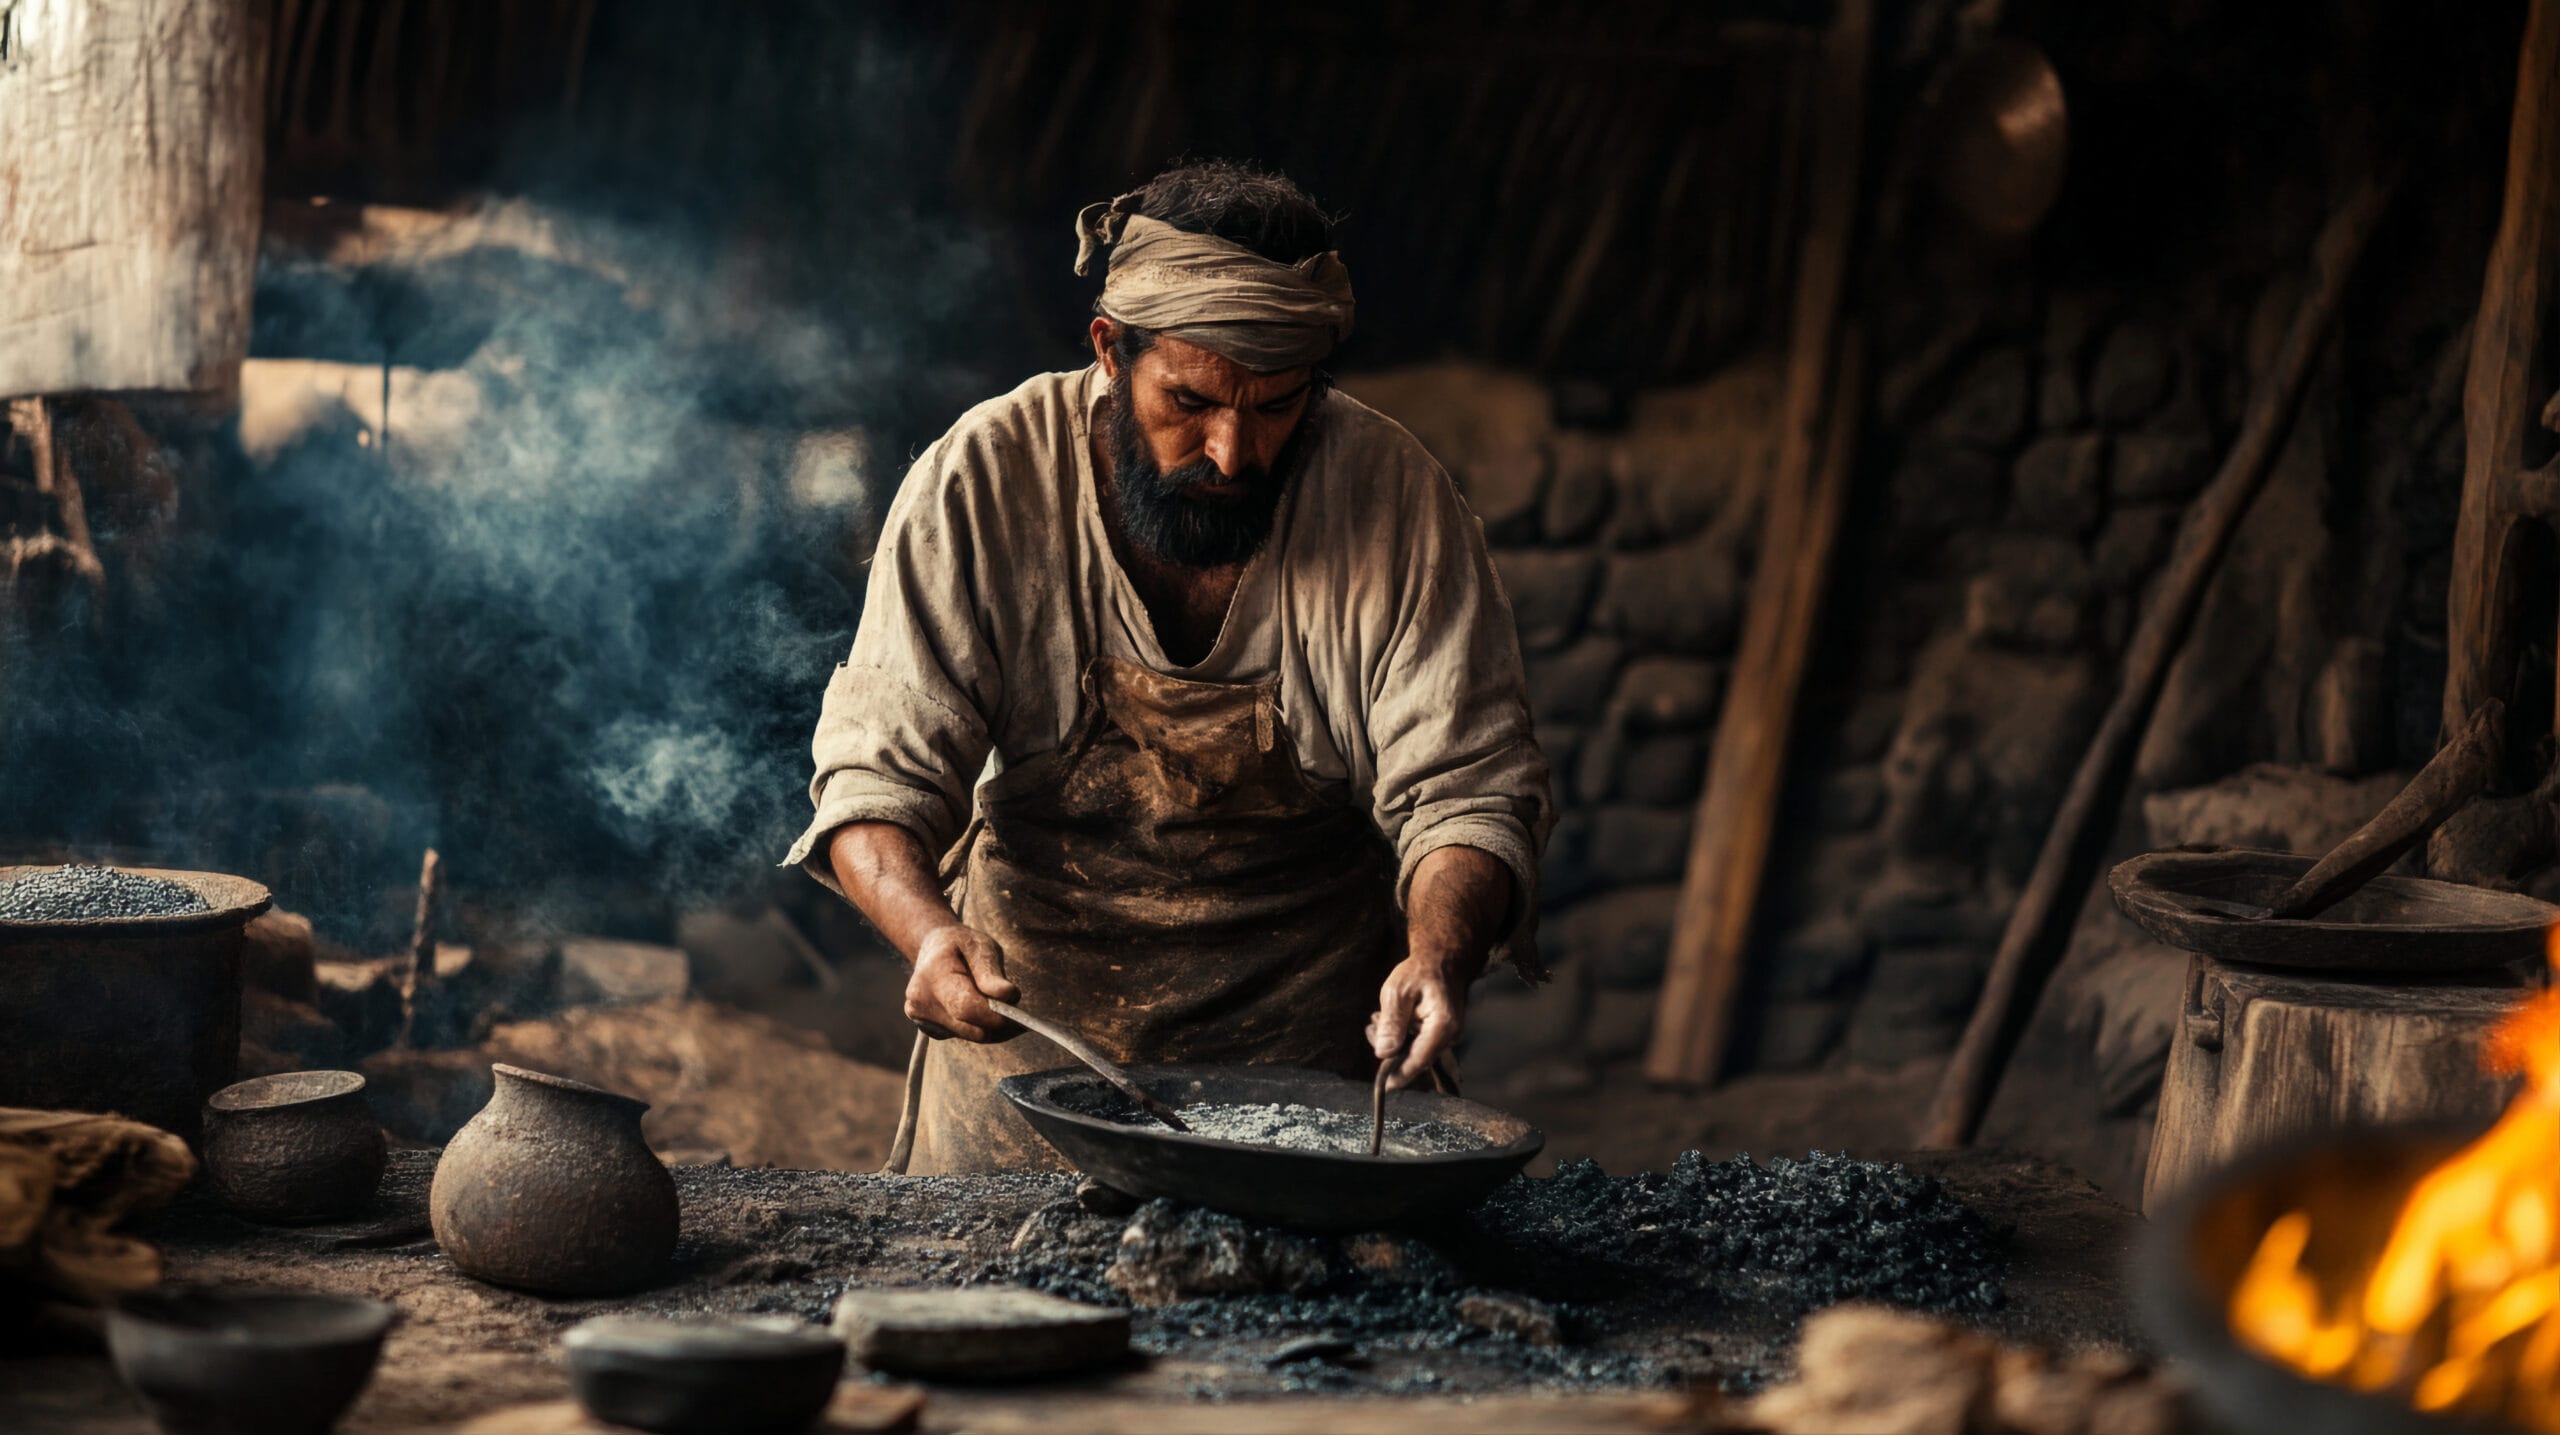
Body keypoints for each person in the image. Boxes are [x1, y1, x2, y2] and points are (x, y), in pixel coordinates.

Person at [783, 160, 1551, 1172]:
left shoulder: (1394, 497)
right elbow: (877, 776)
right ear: (1110, 349)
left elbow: (1468, 791)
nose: (1232, 452)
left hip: (1306, 1099)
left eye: (1276, 406)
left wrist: (1437, 957)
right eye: (1188, 400)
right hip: (1027, 1077)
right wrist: (927, 933)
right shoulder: (985, 480)